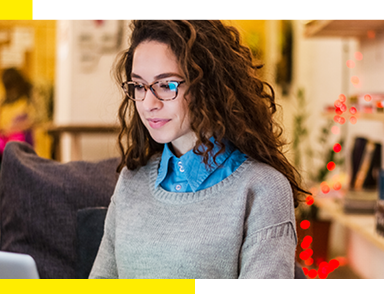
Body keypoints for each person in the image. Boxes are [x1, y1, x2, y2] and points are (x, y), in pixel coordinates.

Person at [89, 19, 310, 279]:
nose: (148, 103)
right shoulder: (131, 180)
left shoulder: (263, 189)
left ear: (208, 86)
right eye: (139, 85)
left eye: (167, 84)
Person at [0, 68, 36, 156]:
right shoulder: (2, 101)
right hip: (8, 139)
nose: (12, 91)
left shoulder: (29, 98)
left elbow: (34, 121)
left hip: (22, 140)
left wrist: (11, 129)